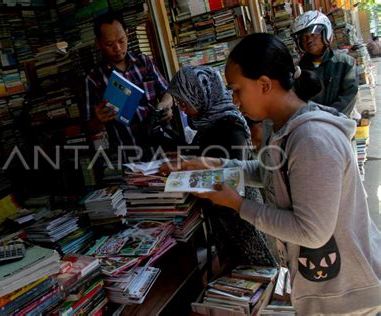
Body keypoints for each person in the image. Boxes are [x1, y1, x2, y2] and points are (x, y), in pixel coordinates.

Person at [163, 33, 381, 315]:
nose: (234, 99)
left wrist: (238, 204)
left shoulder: (311, 139)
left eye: (237, 89)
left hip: (348, 293)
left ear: (264, 84)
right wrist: (216, 166)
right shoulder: (279, 128)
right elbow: (268, 173)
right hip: (325, 287)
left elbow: (311, 232)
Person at [167, 65, 277, 268]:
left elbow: (232, 178)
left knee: (257, 272)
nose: (181, 108)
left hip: (241, 219)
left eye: (184, 101)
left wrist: (180, 180)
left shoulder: (229, 127)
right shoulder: (206, 122)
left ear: (201, 94)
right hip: (226, 215)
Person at [85, 11, 174, 161]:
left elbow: (169, 92)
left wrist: (165, 106)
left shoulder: (144, 62)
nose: (118, 48)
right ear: (98, 43)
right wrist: (99, 119)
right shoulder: (94, 79)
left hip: (164, 149)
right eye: (109, 44)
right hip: (131, 156)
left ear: (127, 35)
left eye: (121, 40)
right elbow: (90, 129)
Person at [291, 10, 358, 116]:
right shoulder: (297, 70)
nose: (309, 40)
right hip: (310, 125)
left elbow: (349, 96)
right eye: (303, 37)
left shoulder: (345, 63)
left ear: (325, 33)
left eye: (313, 35)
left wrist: (329, 118)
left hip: (339, 124)